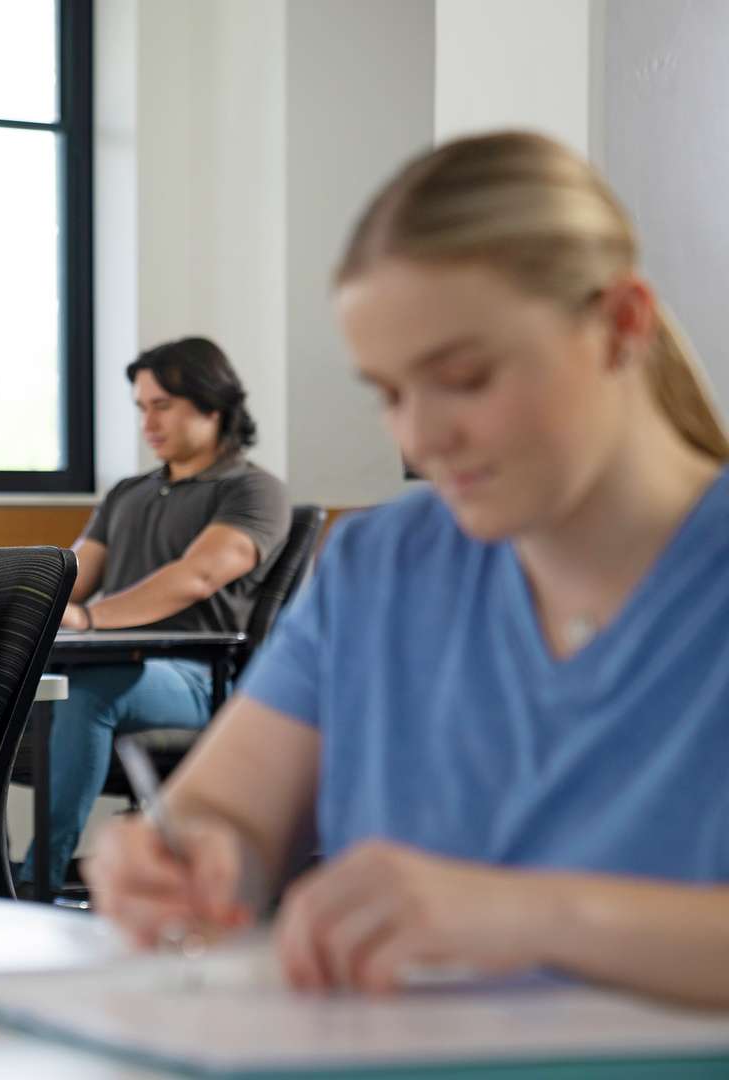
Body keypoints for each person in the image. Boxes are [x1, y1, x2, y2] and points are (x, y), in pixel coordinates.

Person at [89, 132, 729, 1008]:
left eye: (464, 378)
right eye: (389, 393)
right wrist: (181, 861)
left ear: (621, 326)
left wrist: (533, 918)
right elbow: (224, 816)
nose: (421, 439)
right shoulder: (379, 569)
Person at [20, 338, 290, 895]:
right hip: (111, 664)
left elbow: (197, 576)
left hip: (200, 679)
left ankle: (34, 885)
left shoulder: (254, 491)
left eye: (162, 405)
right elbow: (71, 573)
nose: (148, 421)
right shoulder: (128, 493)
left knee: (88, 691)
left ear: (212, 406)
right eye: (142, 407)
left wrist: (90, 620)